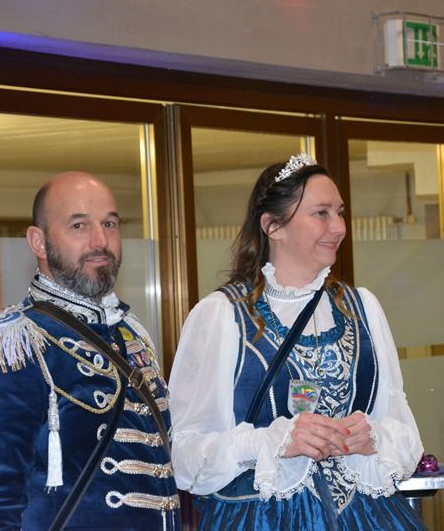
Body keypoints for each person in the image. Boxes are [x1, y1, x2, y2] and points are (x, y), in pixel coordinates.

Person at [169, 154, 424, 529]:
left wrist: (373, 437)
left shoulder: (363, 307)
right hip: (262, 519)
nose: (339, 226)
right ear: (273, 226)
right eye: (321, 213)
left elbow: (406, 435)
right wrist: (271, 442)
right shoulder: (221, 315)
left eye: (340, 212)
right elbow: (185, 454)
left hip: (366, 516)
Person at [0, 172, 180, 530]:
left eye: (109, 223)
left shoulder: (132, 335)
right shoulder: (11, 346)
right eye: (79, 225)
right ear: (38, 242)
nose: (100, 241)